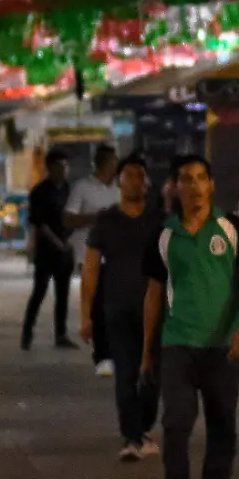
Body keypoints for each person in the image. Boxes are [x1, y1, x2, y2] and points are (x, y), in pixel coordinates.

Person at [143, 156, 239, 479]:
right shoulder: (164, 235)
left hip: (223, 347)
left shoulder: (234, 229)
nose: (193, 186)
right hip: (178, 343)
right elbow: (154, 295)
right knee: (176, 422)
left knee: (222, 423)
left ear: (211, 184)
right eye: (185, 180)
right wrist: (148, 349)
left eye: (199, 179)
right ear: (174, 188)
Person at [81, 154, 163, 461]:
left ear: (146, 182)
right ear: (119, 181)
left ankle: (141, 427)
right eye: (129, 175)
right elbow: (90, 269)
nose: (135, 181)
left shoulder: (158, 220)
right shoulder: (106, 222)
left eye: (140, 176)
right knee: (126, 373)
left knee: (152, 374)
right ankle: (131, 437)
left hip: (157, 311)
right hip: (117, 309)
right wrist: (86, 315)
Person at [64, 146, 121, 376]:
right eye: (112, 162)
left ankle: (118, 351)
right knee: (98, 303)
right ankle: (103, 355)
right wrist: (96, 218)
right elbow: (68, 219)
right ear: (102, 163)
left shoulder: (120, 189)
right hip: (89, 254)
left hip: (118, 254)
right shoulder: (82, 188)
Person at [22, 151, 78, 351]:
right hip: (47, 251)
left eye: (66, 166)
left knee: (63, 294)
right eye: (60, 166)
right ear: (50, 167)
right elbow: (39, 223)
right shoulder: (39, 192)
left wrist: (69, 241)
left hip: (65, 250)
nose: (64, 170)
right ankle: (27, 332)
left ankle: (61, 335)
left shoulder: (68, 190)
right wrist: (57, 242)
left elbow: (73, 217)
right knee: (40, 291)